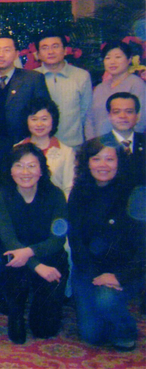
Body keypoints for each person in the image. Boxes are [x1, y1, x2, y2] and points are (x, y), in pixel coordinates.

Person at [68, 139, 145, 351]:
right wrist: (94, 275)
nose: (103, 165)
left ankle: (126, 330)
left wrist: (119, 277)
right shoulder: (79, 191)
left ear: (119, 162)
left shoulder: (135, 193)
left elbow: (143, 248)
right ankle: (107, 315)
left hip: (125, 270)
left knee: (106, 300)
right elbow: (75, 239)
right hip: (89, 269)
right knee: (92, 335)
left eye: (109, 159)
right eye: (96, 159)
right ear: (87, 162)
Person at [0, 144, 68, 344]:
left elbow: (58, 239)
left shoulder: (56, 195)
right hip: (16, 259)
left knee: (44, 329)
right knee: (13, 263)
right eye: (19, 165)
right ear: (11, 170)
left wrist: (31, 253)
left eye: (32, 166)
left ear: (41, 170)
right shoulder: (0, 196)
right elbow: (9, 240)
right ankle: (16, 312)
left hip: (50, 259)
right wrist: (36, 265)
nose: (25, 172)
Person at [0, 36, 51, 143]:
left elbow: (46, 112)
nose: (0, 55)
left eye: (6, 50)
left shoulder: (33, 79)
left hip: (23, 144)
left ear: (16, 54)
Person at [34, 32, 92, 147]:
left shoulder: (81, 76)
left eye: (55, 46)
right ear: (38, 54)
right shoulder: (31, 77)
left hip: (73, 145)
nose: (50, 52)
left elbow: (86, 112)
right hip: (39, 146)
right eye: (45, 48)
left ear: (65, 50)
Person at [85, 40, 146, 139]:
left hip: (124, 145)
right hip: (98, 145)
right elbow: (90, 119)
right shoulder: (100, 88)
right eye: (108, 58)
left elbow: (140, 120)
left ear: (129, 59)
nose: (112, 62)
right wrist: (92, 143)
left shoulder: (136, 84)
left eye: (118, 57)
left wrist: (125, 144)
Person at [17, 98, 75, 198]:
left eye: (44, 119)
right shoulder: (16, 149)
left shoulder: (66, 152)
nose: (39, 124)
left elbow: (68, 189)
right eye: (34, 119)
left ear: (53, 120)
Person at [99, 92, 145, 185]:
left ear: (138, 116)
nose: (123, 116)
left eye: (129, 111)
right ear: (109, 116)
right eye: (116, 112)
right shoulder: (97, 145)